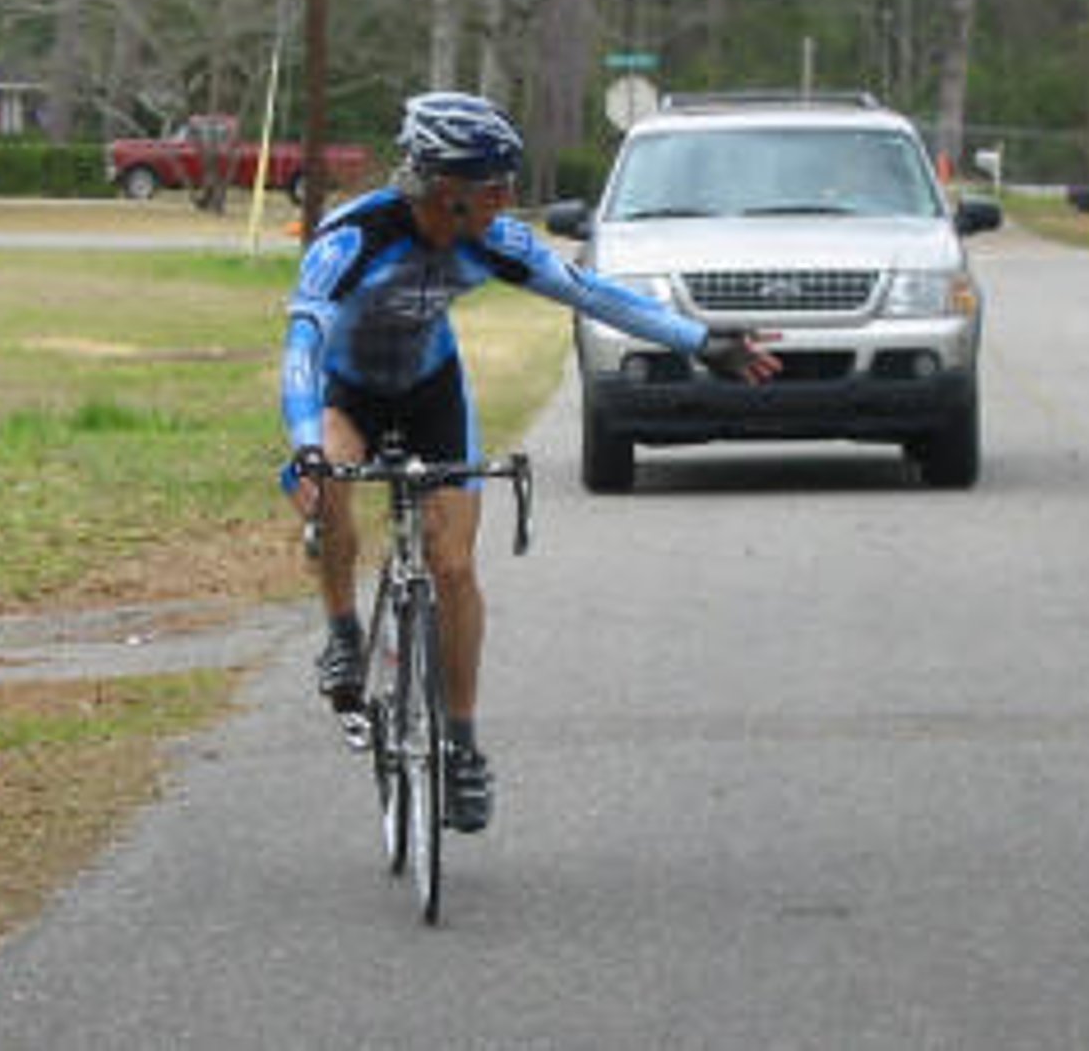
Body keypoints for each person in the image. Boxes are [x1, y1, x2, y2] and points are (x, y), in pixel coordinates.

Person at [278, 91, 780, 833]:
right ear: (443, 189)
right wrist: (305, 445)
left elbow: (590, 291)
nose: (507, 201)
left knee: (453, 567)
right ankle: (344, 632)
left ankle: (463, 743)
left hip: (430, 392)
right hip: (346, 394)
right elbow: (302, 345)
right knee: (328, 490)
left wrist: (700, 341)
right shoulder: (350, 240)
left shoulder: (494, 240)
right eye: (493, 187)